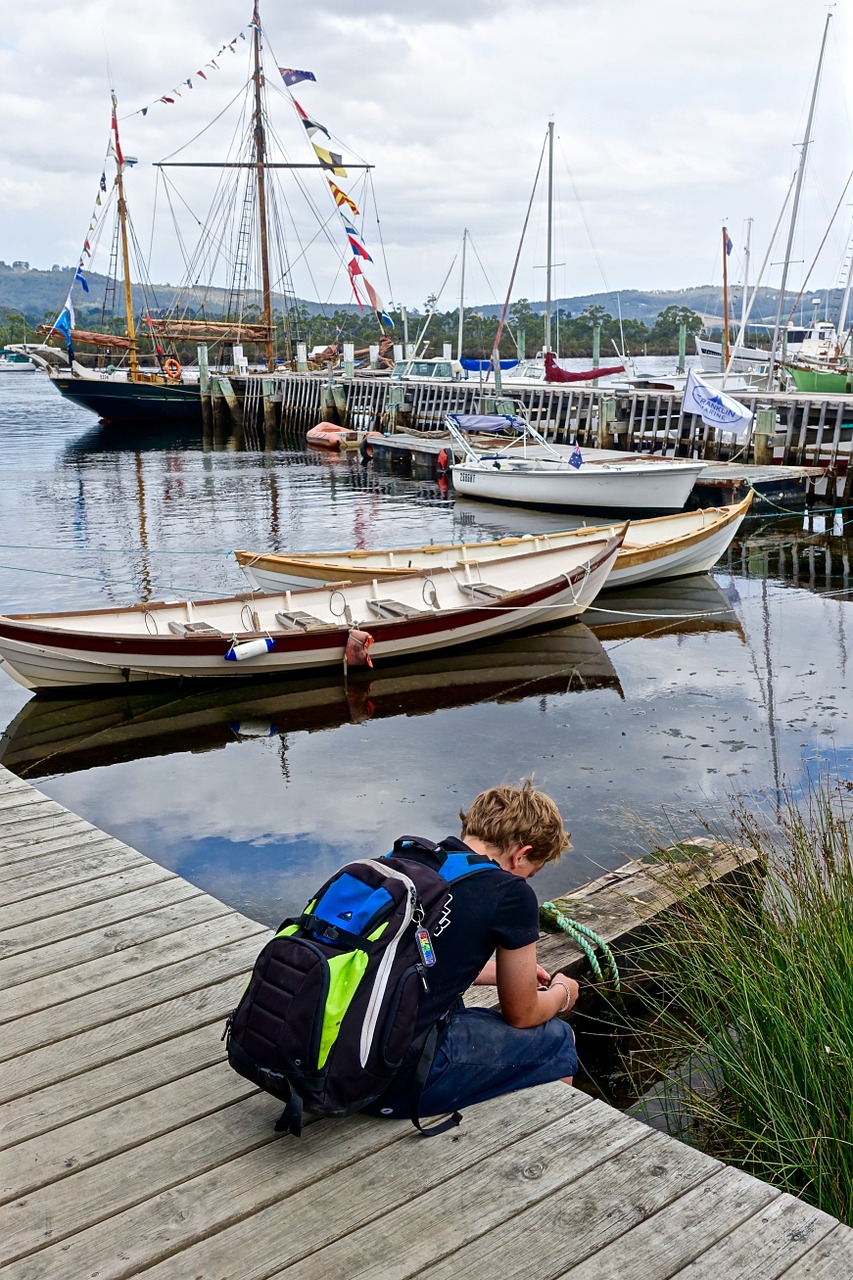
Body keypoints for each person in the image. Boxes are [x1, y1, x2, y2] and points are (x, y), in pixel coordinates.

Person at [364, 779, 579, 1123]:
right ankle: (544, 1133)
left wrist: (499, 976)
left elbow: (413, 954)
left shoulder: (408, 861)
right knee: (556, 1038)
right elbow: (521, 1014)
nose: (526, 881)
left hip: (331, 1053)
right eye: (531, 872)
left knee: (454, 1003)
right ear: (521, 854)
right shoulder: (509, 892)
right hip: (386, 1082)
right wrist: (563, 994)